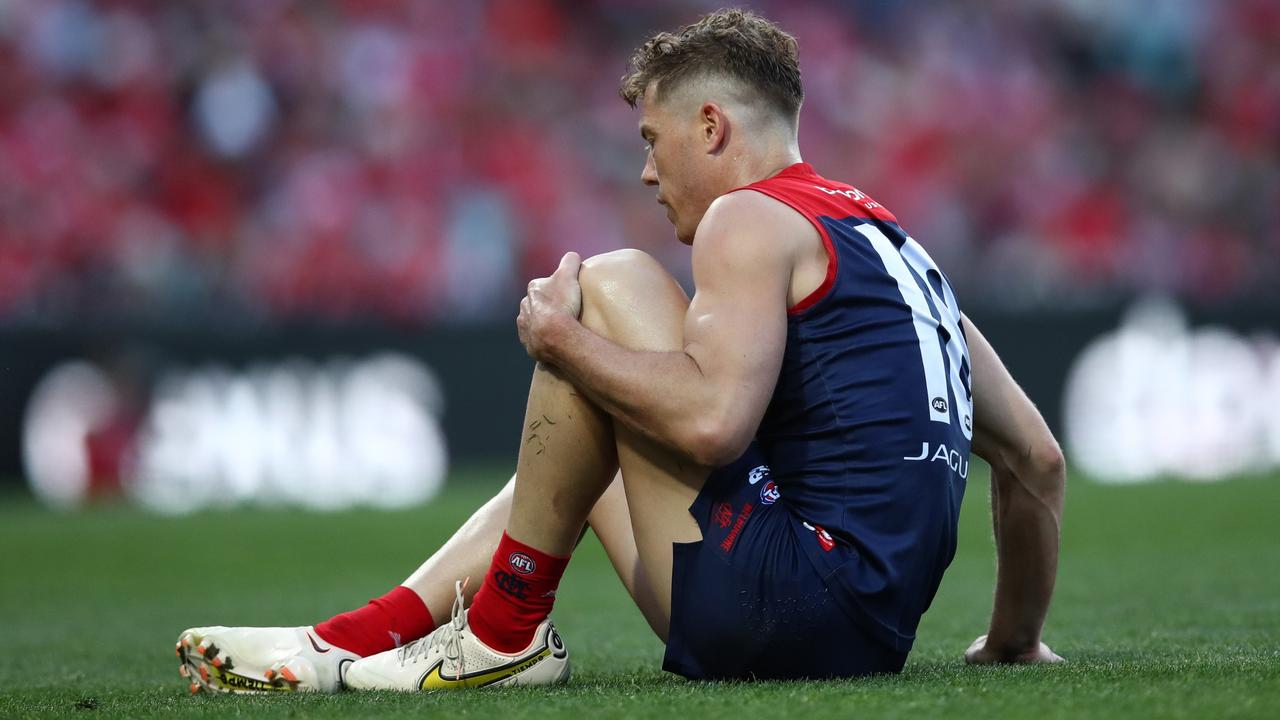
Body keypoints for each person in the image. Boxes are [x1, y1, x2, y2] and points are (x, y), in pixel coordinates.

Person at [176, 8, 1065, 694]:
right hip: (867, 634)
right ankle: (355, 641)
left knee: (608, 285)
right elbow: (1035, 461)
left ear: (711, 127)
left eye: (652, 139)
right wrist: (1014, 642)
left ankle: (500, 637)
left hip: (789, 610)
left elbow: (715, 426)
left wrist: (559, 338)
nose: (645, 171)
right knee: (587, 448)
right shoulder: (897, 250)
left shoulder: (749, 217)